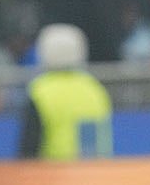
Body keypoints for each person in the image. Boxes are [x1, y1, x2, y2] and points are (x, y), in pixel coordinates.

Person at [18, 23, 113, 160]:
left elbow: (29, 148)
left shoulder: (40, 91)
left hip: (52, 176)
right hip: (93, 175)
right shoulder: (95, 89)